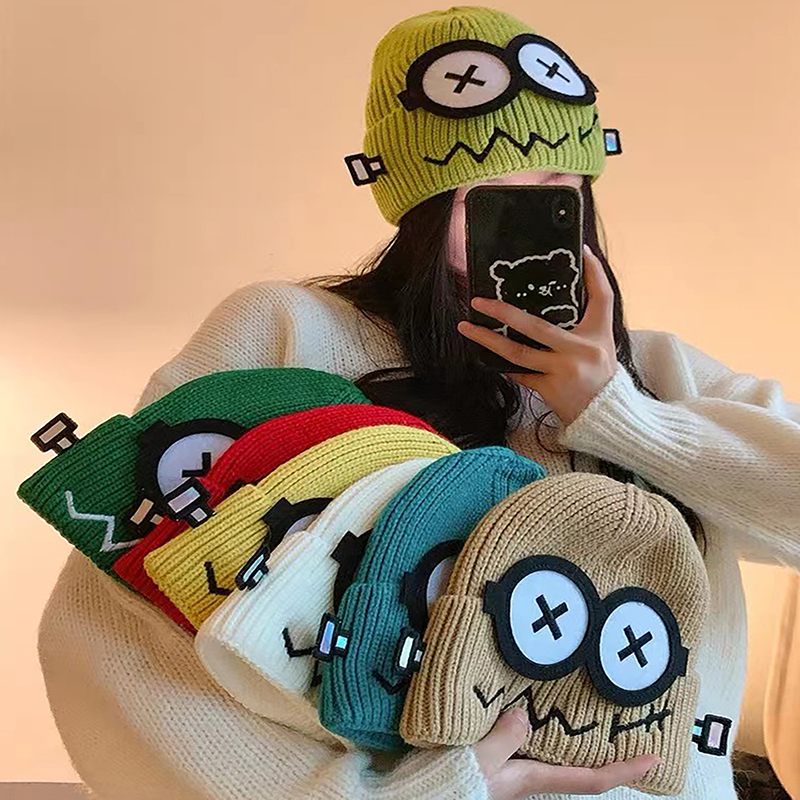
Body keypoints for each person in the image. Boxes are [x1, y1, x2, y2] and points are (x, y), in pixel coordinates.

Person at [37, 6, 800, 800]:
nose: (523, 232)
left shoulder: (664, 376)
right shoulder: (287, 334)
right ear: (420, 209)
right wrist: (426, 791)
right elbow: (117, 634)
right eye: (487, 201)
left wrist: (622, 416)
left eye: (553, 193)